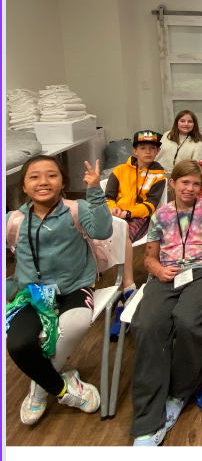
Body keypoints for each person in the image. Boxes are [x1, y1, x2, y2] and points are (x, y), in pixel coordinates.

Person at [129, 161, 202, 445]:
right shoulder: (161, 215)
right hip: (166, 274)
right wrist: (157, 271)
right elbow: (149, 258)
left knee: (189, 321)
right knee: (147, 325)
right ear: (173, 183)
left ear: (201, 187)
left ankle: (179, 392)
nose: (190, 188)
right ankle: (146, 421)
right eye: (184, 182)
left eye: (195, 184)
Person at [7, 157, 112, 426]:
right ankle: (62, 388)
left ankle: (39, 387)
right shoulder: (14, 220)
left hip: (76, 287)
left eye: (51, 175)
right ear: (24, 186)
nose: (43, 181)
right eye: (34, 177)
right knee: (18, 344)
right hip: (32, 293)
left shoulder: (78, 208)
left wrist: (95, 191)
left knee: (75, 323)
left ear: (63, 182)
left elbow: (103, 229)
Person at [105, 130, 169, 247]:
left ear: (158, 151)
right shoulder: (120, 170)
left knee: (123, 238)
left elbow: (151, 204)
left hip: (140, 217)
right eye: (143, 148)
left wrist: (128, 213)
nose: (148, 152)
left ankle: (124, 265)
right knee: (99, 234)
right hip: (116, 213)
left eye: (152, 148)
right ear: (135, 151)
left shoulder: (159, 176)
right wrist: (113, 208)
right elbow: (108, 197)